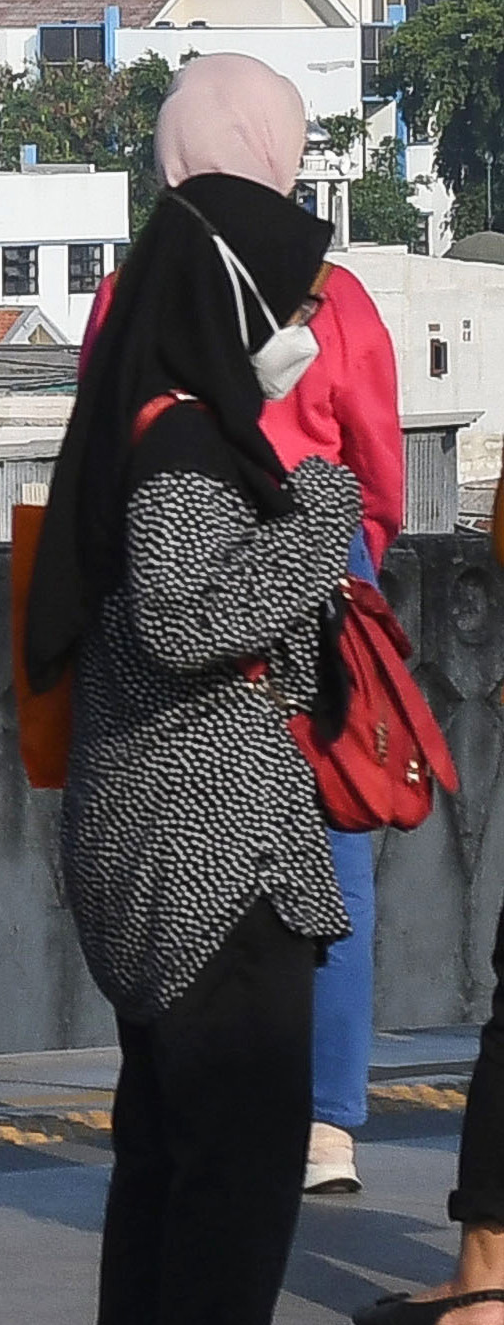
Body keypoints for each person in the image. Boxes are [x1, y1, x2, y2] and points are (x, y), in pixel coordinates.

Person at [26, 160, 363, 1325]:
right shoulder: (181, 450)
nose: (302, 325)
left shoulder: (148, 426)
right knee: (233, 1148)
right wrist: (320, 524)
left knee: (167, 1142)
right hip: (208, 843)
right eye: (287, 298)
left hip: (160, 830)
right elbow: (177, 616)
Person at [103, 60, 402, 1197]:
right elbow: (375, 471)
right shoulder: (337, 300)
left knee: (173, 843)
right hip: (319, 585)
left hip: (163, 590)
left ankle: (176, 1094)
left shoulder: (130, 289)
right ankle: (322, 1119)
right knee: (333, 846)